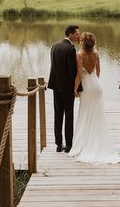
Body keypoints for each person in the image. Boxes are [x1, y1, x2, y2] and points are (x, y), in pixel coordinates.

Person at [69, 32, 120, 164]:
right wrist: (94, 81)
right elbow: (98, 71)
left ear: (83, 42)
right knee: (98, 116)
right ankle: (98, 143)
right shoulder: (96, 53)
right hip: (96, 86)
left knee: (85, 114)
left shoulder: (79, 54)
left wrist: (75, 89)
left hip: (86, 87)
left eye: (81, 39)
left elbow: (79, 75)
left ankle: (85, 144)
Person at [48, 25, 81, 153]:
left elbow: (54, 66)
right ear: (71, 34)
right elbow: (73, 72)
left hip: (56, 86)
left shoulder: (55, 45)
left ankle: (58, 144)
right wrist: (77, 89)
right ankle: (68, 145)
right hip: (67, 88)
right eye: (77, 34)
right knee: (69, 115)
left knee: (58, 114)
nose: (79, 36)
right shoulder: (71, 49)